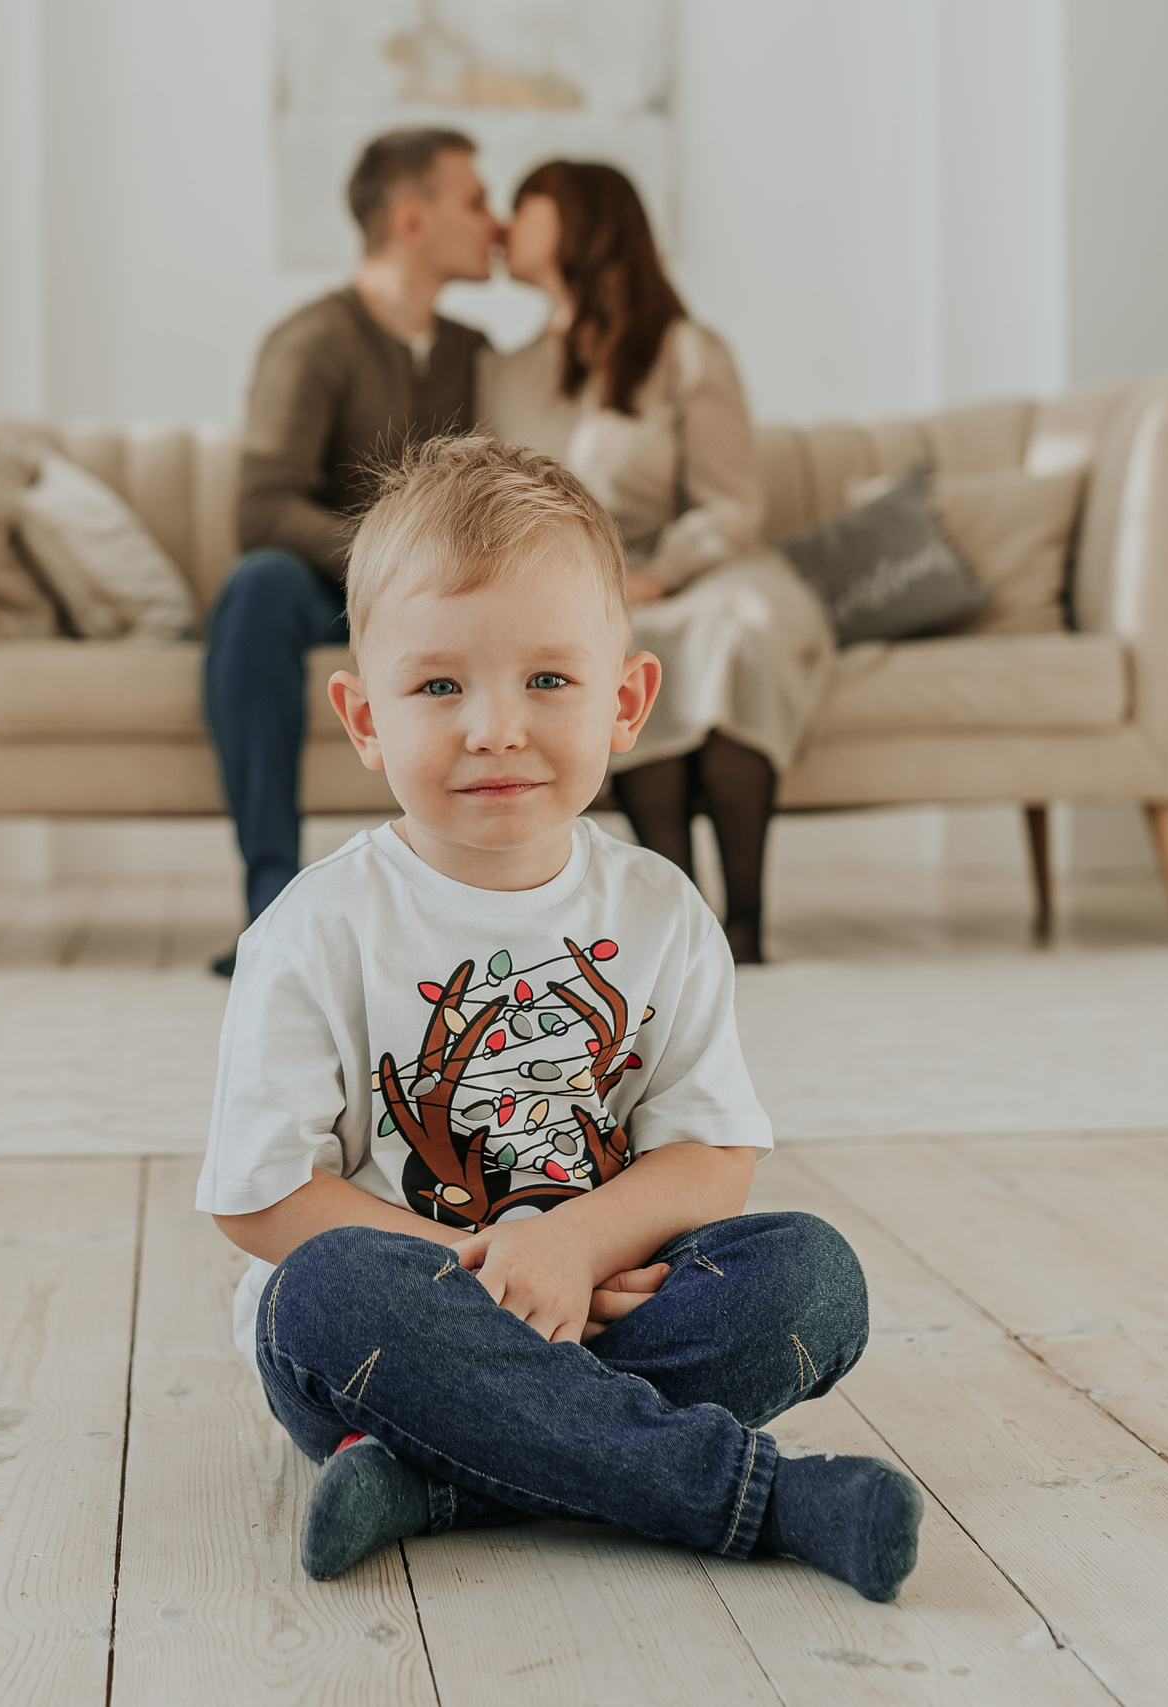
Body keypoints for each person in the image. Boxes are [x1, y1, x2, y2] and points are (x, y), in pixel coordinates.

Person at [195, 436, 922, 1601]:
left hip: (606, 1311)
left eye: (548, 679)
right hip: (405, 1330)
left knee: (811, 1279)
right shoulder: (317, 927)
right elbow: (261, 1197)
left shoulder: (658, 909)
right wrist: (490, 1272)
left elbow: (712, 1157)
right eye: (438, 686)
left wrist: (576, 1247)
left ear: (625, 699)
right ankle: (756, 1497)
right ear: (363, 716)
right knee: (323, 1294)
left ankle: (440, 1483)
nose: (495, 727)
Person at [480, 161, 835, 965]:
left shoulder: (686, 352)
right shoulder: (502, 372)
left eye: (524, 206)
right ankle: (679, 924)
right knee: (617, 650)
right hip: (579, 584)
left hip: (694, 570)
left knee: (723, 634)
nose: (504, 223)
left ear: (578, 221)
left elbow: (731, 504)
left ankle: (744, 922)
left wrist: (660, 573)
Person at [203, 128, 503, 976]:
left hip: (442, 590)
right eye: (476, 202)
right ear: (411, 220)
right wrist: (392, 560)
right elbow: (260, 507)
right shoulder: (314, 341)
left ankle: (489, 904)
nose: (496, 222)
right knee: (256, 586)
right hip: (329, 584)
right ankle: (271, 910)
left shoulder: (474, 354)